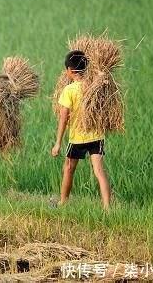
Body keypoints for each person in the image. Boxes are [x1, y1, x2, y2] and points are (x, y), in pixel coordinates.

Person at [51, 50, 111, 209]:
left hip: (77, 137)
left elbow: (63, 118)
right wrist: (100, 75)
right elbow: (103, 81)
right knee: (99, 170)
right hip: (96, 135)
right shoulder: (93, 85)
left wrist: (57, 143)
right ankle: (107, 209)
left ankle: (63, 203)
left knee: (68, 168)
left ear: (70, 71)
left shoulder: (69, 90)